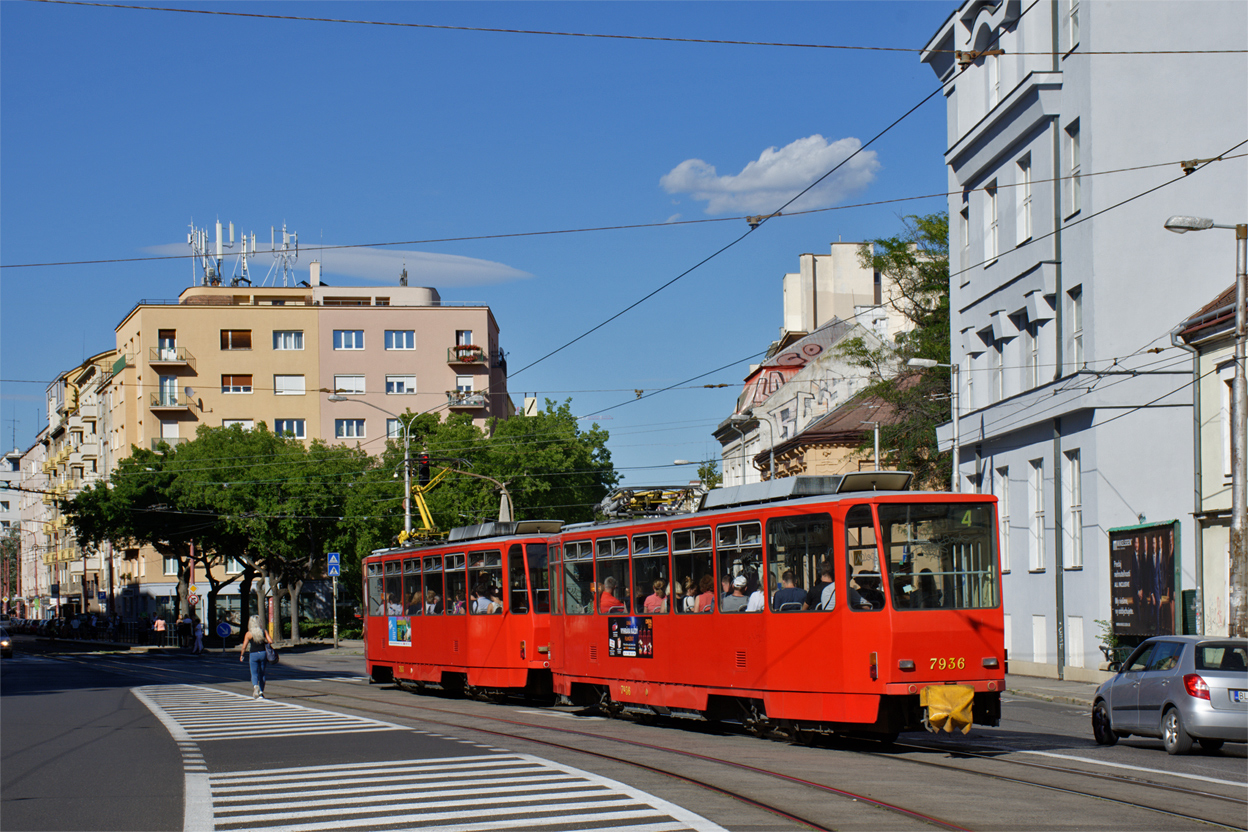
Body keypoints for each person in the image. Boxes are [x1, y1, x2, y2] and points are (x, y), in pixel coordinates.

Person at [238, 615, 273, 699]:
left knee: (254, 673)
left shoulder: (249, 634)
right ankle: (261, 692)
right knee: (262, 673)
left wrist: (242, 655)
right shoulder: (263, 631)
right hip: (263, 653)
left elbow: (244, 646)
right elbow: (270, 641)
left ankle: (255, 686)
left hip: (253, 654)